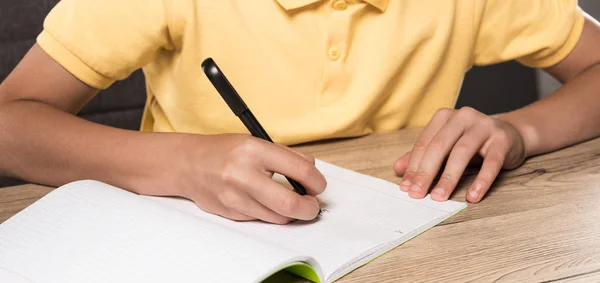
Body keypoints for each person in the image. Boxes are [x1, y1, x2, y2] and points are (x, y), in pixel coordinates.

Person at [0, 0, 599, 225]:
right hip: (188, 248)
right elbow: (10, 125)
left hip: (404, 253)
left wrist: (518, 131)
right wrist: (182, 162)